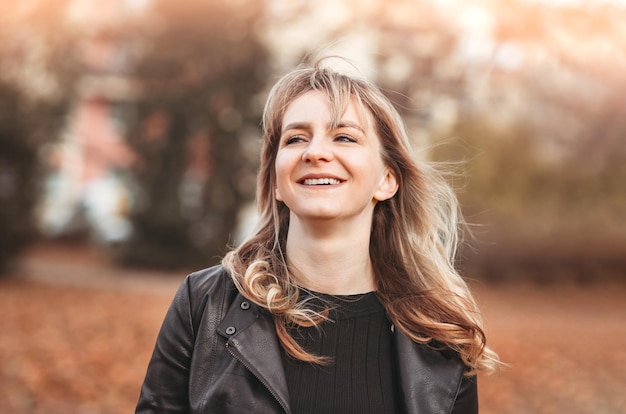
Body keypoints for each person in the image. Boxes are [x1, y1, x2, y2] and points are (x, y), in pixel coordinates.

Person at [136, 58, 500, 414]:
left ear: (387, 179)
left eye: (344, 137)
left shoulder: (441, 336)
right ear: (276, 181)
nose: (316, 152)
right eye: (296, 138)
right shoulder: (204, 305)